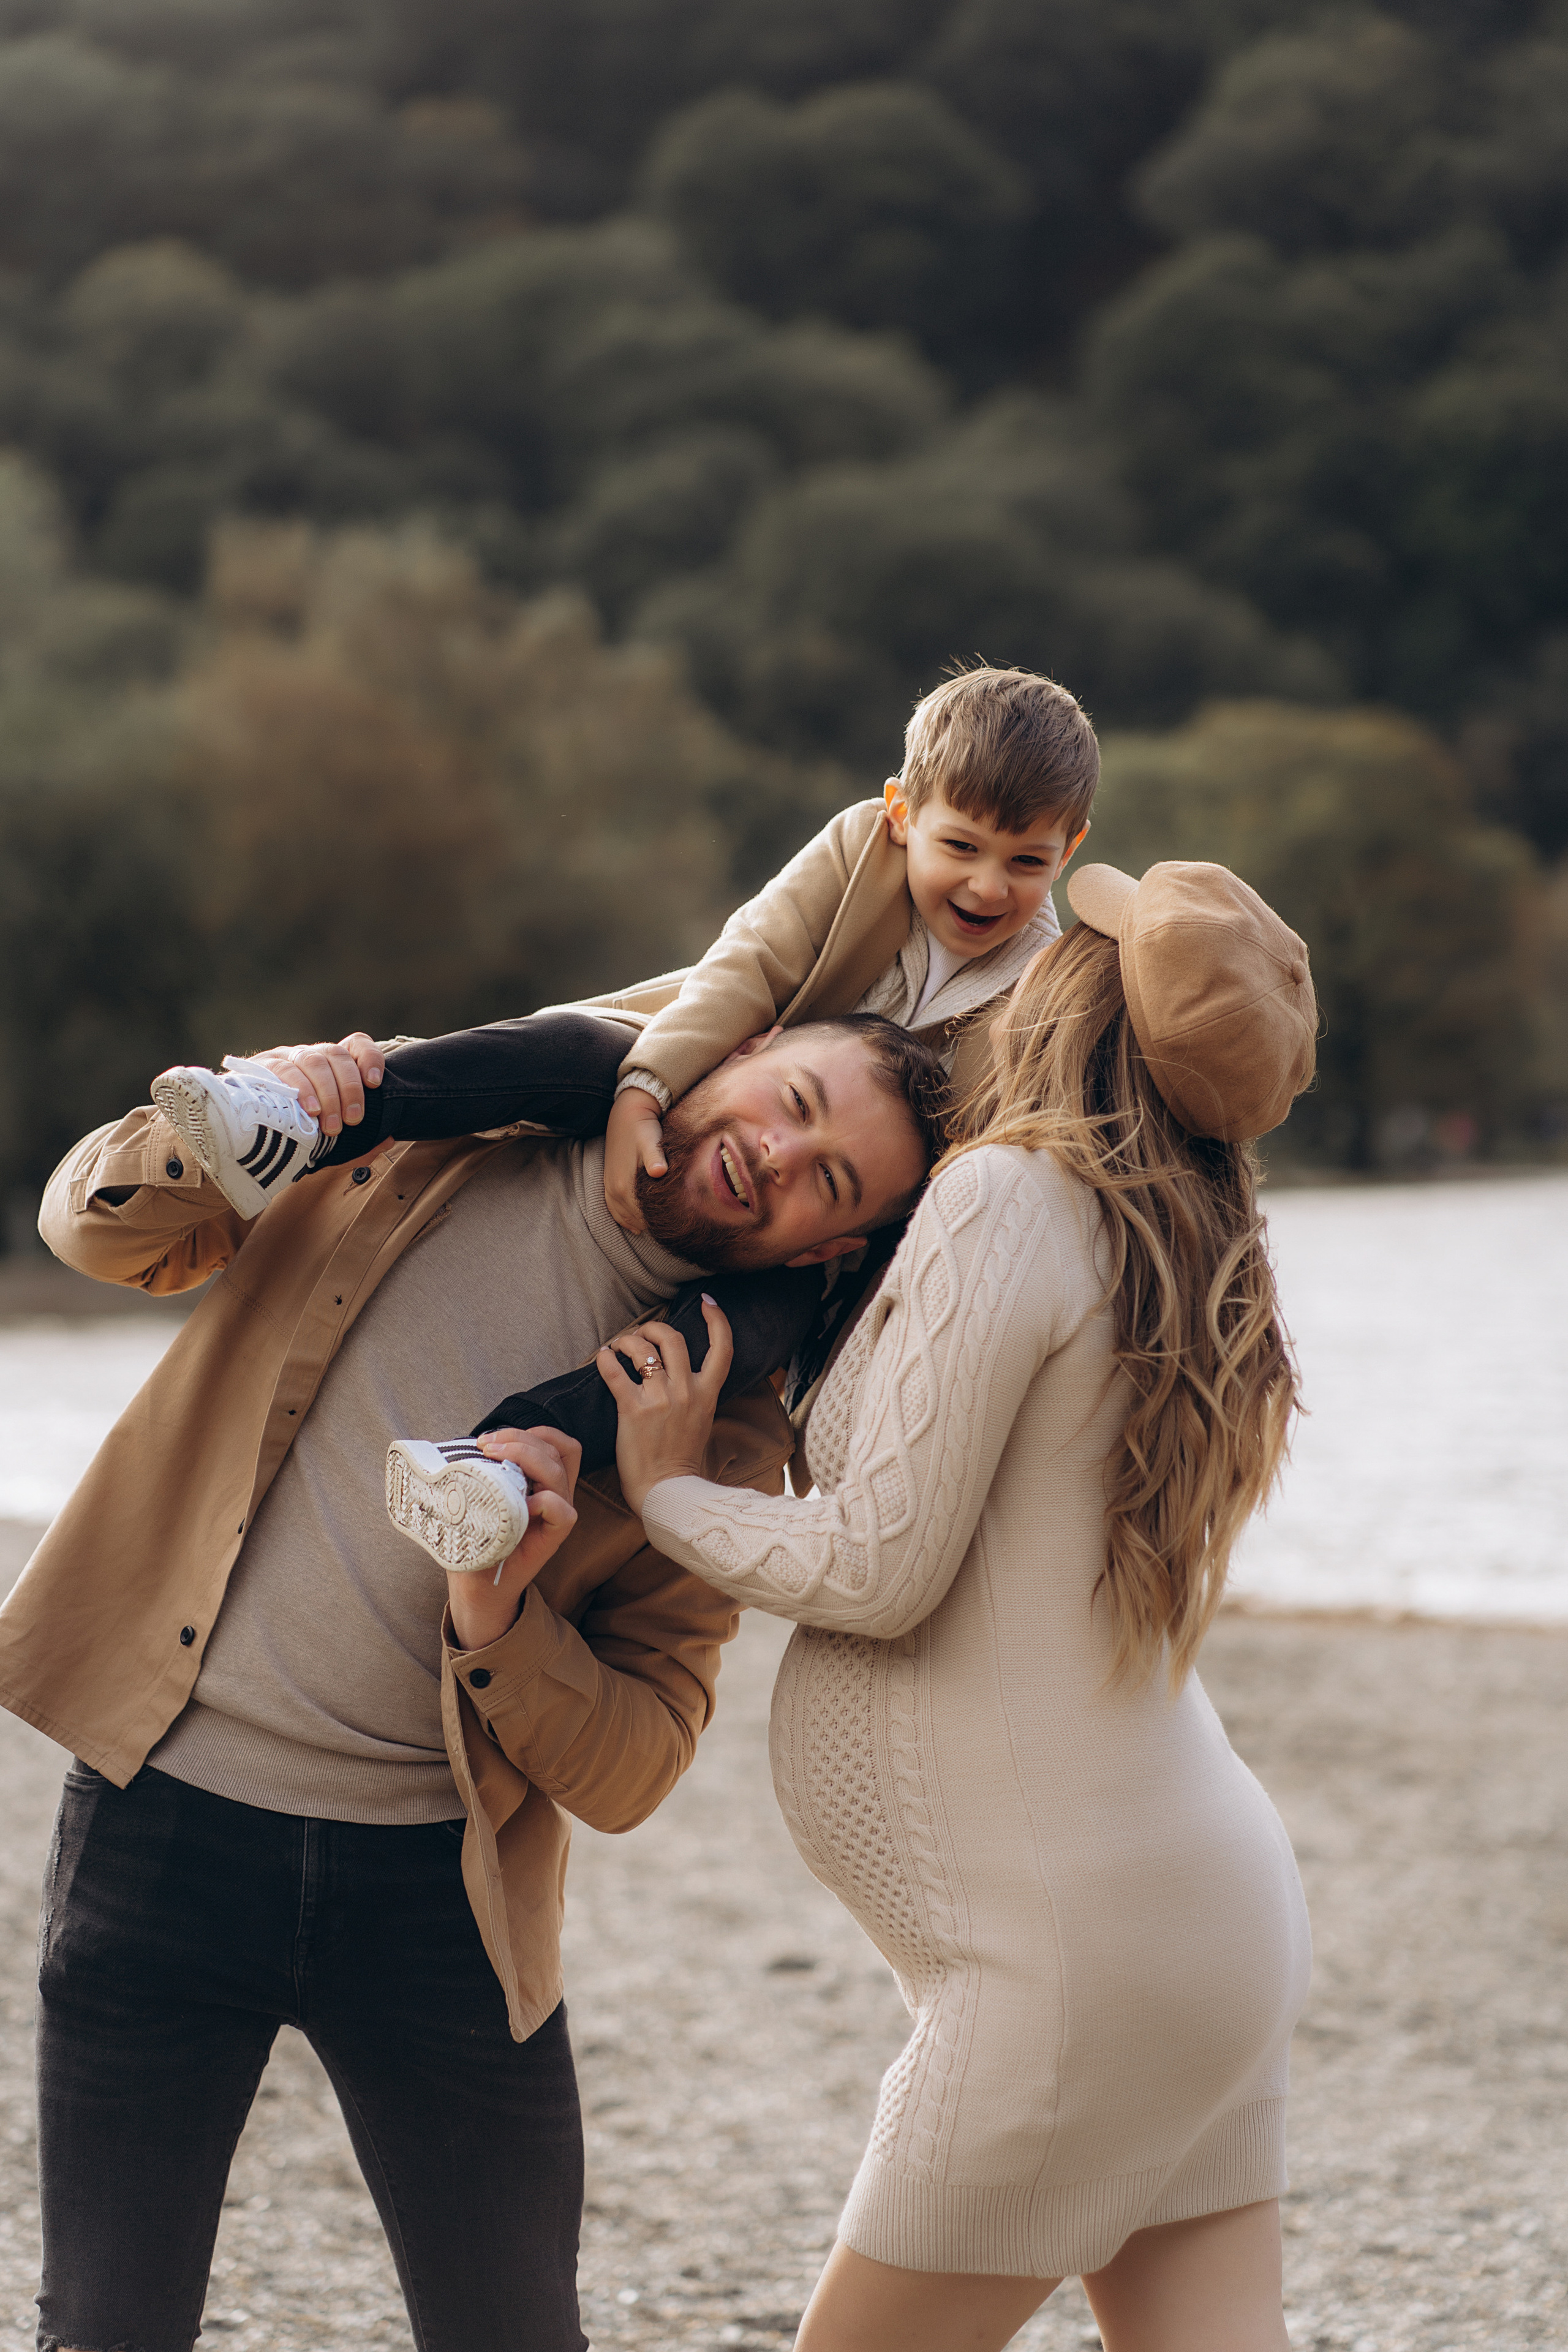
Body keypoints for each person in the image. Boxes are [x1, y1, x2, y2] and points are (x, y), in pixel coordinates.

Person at [1, 1012, 945, 2352]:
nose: (772, 1155)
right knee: (102, 2330)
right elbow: (93, 1228)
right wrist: (272, 1100)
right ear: (734, 1051)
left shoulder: (721, 1431)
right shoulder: (425, 1137)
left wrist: (504, 1617)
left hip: (440, 1901)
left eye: (826, 1180)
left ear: (829, 1250)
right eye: (785, 1101)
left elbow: (637, 1763)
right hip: (162, 1830)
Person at [594, 861, 1319, 2352]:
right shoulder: (1168, 1234)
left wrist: (672, 1492)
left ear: (1082, 994)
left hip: (1074, 1966)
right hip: (1207, 1923)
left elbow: (880, 1565)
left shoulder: (1007, 1197)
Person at [149, 664, 1096, 1569]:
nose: (985, 888)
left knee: (724, 1341)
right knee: (560, 1053)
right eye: (960, 848)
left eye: (1026, 863)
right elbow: (749, 964)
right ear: (902, 813)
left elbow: (994, 1163)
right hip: (708, 1063)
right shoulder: (858, 852)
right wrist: (648, 1085)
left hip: (819, 1222)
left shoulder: (1044, 992)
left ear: (1071, 849)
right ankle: (310, 1118)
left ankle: (503, 1462)